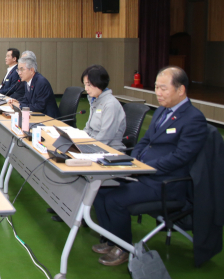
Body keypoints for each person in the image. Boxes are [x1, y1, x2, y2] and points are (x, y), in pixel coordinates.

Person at [92, 66, 207, 266]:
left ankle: (123, 247)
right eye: (156, 88)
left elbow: (181, 157)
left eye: (163, 88)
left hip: (166, 183)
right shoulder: (162, 111)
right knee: (100, 188)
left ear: (180, 90)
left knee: (115, 200)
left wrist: (146, 167)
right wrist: (135, 161)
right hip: (142, 172)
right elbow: (145, 141)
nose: (158, 93)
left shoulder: (193, 119)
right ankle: (111, 239)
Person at [81, 65, 126, 151]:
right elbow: (88, 128)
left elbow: (105, 137)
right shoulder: (95, 100)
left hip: (109, 150)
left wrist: (86, 148)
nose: (86, 89)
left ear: (99, 83)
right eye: (85, 85)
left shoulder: (110, 104)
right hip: (93, 144)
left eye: (89, 85)